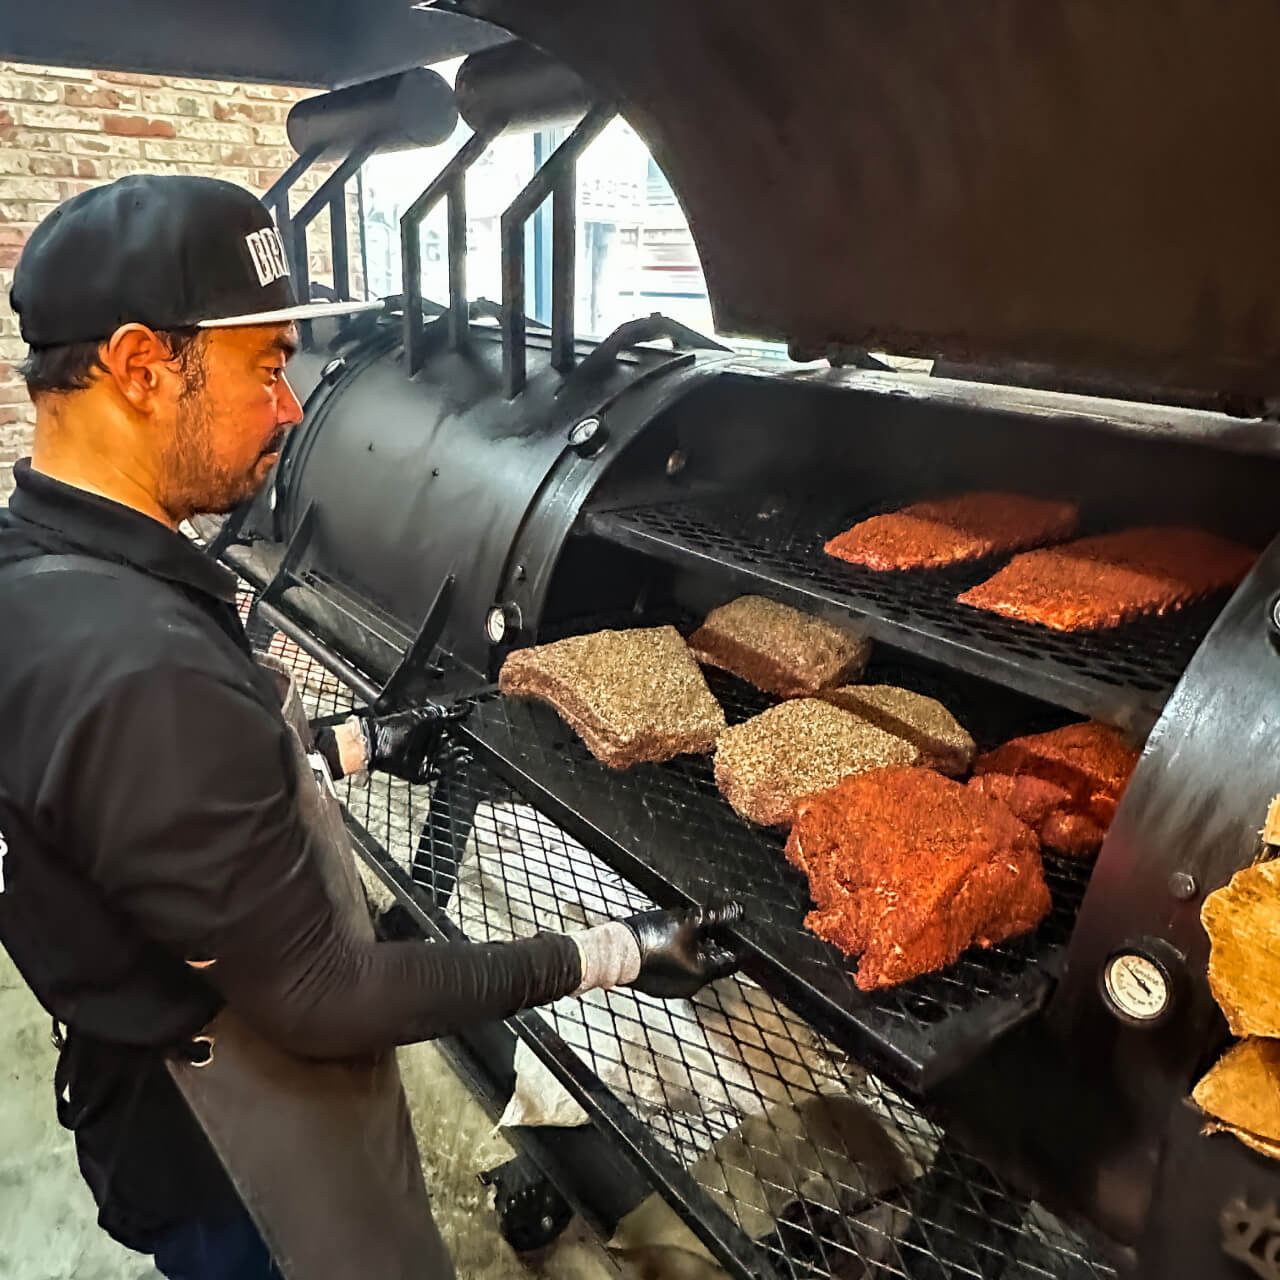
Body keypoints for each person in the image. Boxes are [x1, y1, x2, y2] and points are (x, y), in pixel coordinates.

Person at [0, 174, 741, 1280]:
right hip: (228, 1151)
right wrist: (614, 949)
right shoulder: (137, 659)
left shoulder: (45, 569)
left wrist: (355, 745)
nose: (294, 405)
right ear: (143, 365)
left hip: (140, 1076)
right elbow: (324, 995)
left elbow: (141, 810)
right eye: (267, 369)